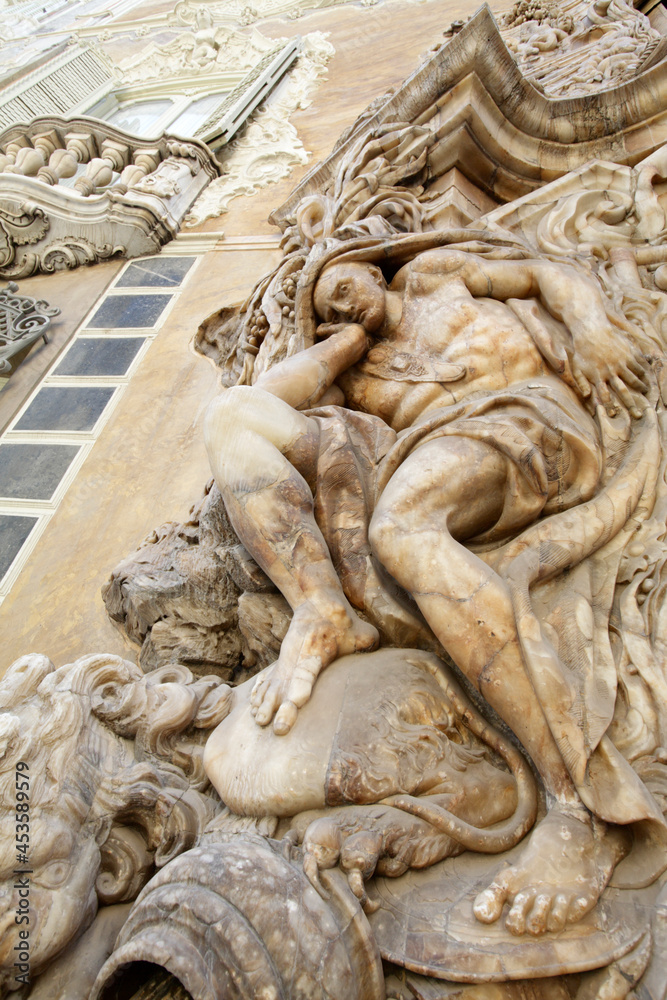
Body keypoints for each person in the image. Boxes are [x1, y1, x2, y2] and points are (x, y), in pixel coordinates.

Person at [204, 246, 659, 936]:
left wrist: (590, 325)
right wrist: (343, 345)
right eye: (325, 309)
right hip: (419, 453)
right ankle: (322, 607)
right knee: (230, 417)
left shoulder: (438, 276)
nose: (339, 303)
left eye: (343, 284)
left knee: (403, 528)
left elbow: (547, 273)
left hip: (524, 421)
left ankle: (573, 801)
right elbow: (263, 403)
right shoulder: (354, 375)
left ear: (371, 266)